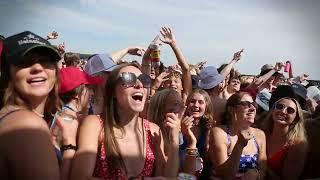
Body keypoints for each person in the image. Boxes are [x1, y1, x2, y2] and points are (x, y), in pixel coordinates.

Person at [71, 63, 174, 179]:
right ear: (113, 92)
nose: (139, 85)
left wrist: (175, 143)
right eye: (128, 79)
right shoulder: (95, 124)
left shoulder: (153, 130)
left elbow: (164, 176)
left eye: (144, 80)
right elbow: (79, 177)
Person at [0, 31, 61, 179]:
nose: (38, 68)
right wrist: (70, 146)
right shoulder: (27, 125)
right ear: (7, 72)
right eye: (25, 62)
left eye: (46, 60)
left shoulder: (12, 115)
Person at [51, 67, 103, 180]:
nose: (93, 92)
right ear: (76, 93)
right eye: (88, 88)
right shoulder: (69, 121)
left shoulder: (62, 113)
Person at [207, 92, 267, 179]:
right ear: (231, 109)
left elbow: (263, 169)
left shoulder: (259, 134)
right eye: (246, 104)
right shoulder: (219, 132)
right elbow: (225, 174)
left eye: (254, 104)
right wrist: (239, 145)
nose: (252, 108)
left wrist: (256, 175)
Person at [261, 97, 308, 180]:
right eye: (279, 106)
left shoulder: (296, 146)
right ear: (273, 110)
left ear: (295, 119)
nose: (283, 111)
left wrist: (261, 166)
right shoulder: (261, 133)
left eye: (290, 110)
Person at [147, 88, 187, 177]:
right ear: (161, 111)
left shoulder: (184, 133)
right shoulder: (153, 136)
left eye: (182, 103)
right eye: (176, 104)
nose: (184, 107)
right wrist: (173, 141)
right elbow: (166, 176)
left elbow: (189, 174)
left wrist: (192, 144)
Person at [181, 89, 214, 176]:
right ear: (187, 104)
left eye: (200, 102)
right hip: (181, 173)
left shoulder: (210, 127)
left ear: (206, 106)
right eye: (192, 101)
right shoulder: (178, 125)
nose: (196, 105)